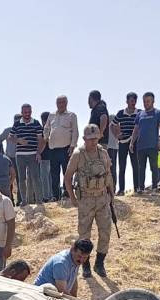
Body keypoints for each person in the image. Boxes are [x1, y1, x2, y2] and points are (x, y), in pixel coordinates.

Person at [65, 125, 114, 278]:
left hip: (102, 198)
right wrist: (72, 197)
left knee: (105, 231)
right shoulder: (78, 155)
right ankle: (85, 265)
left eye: (95, 138)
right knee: (84, 234)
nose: (93, 142)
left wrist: (111, 193)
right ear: (84, 139)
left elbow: (108, 174)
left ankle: (99, 263)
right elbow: (67, 177)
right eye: (90, 139)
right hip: (85, 199)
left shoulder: (103, 153)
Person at [43, 95, 79, 201]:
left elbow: (75, 131)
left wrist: (72, 146)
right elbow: (46, 128)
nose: (61, 104)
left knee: (67, 172)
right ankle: (55, 195)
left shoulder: (72, 115)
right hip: (53, 149)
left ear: (66, 103)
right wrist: (46, 137)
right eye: (59, 102)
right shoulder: (51, 115)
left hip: (66, 148)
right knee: (54, 174)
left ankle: (67, 193)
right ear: (56, 104)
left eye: (63, 102)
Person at [129, 92, 160, 192]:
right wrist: (132, 142)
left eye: (148, 101)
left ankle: (155, 187)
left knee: (154, 167)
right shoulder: (139, 114)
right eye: (144, 101)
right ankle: (141, 188)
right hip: (140, 146)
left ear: (153, 101)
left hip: (153, 145)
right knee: (141, 168)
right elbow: (136, 130)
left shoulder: (158, 113)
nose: (146, 103)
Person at [9, 104, 44, 206]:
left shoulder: (36, 123)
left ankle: (39, 200)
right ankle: (24, 200)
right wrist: (18, 140)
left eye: (29, 112)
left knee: (36, 177)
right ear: (22, 112)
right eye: (25, 112)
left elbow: (40, 139)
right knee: (21, 179)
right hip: (20, 155)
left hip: (33, 154)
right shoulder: (17, 124)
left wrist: (38, 152)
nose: (27, 114)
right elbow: (10, 137)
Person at [111, 92, 140, 195]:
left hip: (135, 142)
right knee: (122, 166)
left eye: (135, 100)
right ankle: (121, 190)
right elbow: (112, 125)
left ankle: (137, 188)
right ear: (127, 101)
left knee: (135, 165)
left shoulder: (139, 113)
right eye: (131, 100)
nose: (133, 102)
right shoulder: (120, 113)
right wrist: (116, 135)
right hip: (123, 142)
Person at [0, 114, 22, 204]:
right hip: (9, 158)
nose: (17, 122)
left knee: (21, 179)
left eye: (19, 120)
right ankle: (10, 200)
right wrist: (2, 153)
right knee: (8, 180)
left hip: (21, 157)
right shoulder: (8, 130)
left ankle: (21, 200)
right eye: (16, 120)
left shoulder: (24, 130)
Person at [39, 112, 53, 201]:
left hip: (44, 156)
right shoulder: (53, 129)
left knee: (44, 177)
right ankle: (52, 195)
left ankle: (46, 197)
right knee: (50, 177)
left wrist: (38, 153)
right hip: (52, 156)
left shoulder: (44, 130)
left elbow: (43, 143)